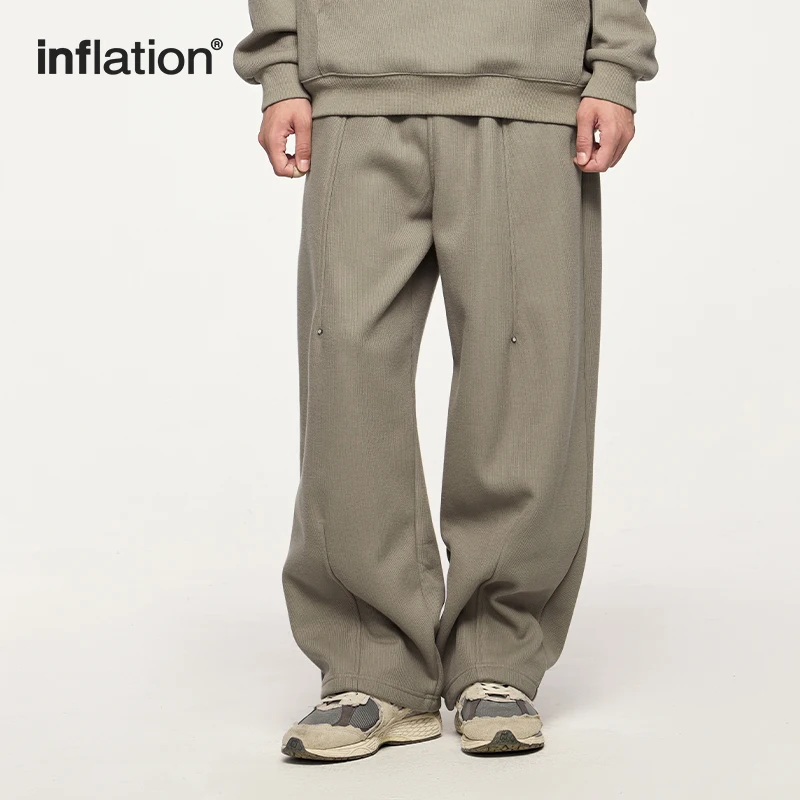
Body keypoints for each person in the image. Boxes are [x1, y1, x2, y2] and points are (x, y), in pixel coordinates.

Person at [234, 0, 657, 761]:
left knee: (526, 374)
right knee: (347, 375)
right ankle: (370, 665)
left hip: (530, 78)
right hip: (354, 82)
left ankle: (498, 656)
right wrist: (279, 68)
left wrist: (616, 65)